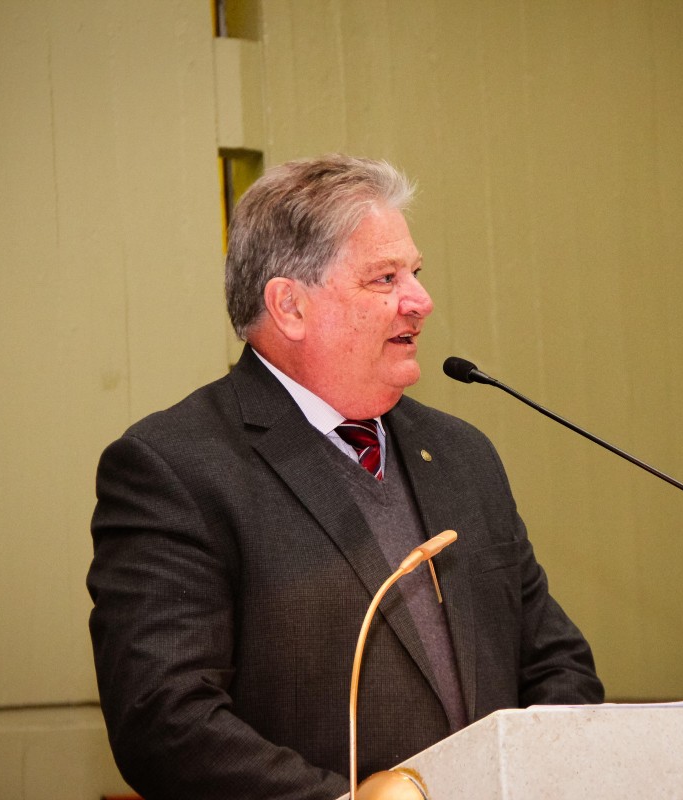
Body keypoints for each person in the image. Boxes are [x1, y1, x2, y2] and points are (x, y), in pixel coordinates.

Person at [87, 154, 603, 800]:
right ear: (290, 307)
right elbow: (163, 719)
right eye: (384, 279)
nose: (420, 301)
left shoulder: (463, 455)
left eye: (414, 273)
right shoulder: (177, 467)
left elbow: (556, 662)